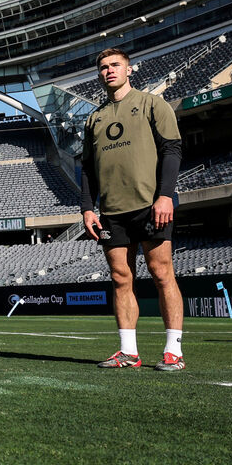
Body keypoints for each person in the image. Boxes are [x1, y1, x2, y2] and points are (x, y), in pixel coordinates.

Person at [81, 47, 185, 371]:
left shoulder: (152, 104)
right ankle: (128, 351)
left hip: (151, 204)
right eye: (102, 67)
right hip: (112, 210)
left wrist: (165, 195)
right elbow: (86, 167)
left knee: (161, 273)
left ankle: (173, 351)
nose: (108, 71)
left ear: (129, 69)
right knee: (120, 277)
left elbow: (172, 149)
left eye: (114, 65)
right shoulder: (94, 118)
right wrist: (87, 208)